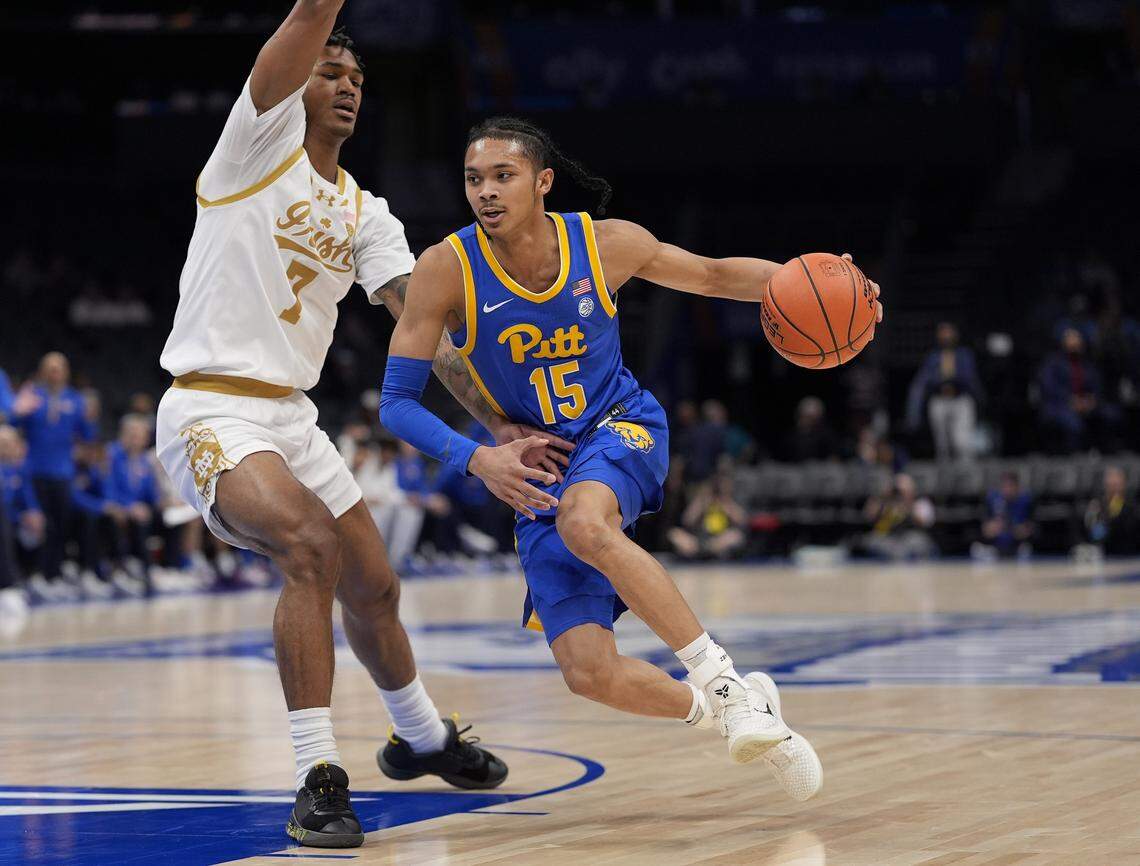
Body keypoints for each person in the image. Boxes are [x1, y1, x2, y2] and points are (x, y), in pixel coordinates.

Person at [153, 3, 567, 847]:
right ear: (292, 81)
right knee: (309, 545)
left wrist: (498, 427)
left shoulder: (366, 212)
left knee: (375, 586)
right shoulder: (249, 151)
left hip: (292, 419)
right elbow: (307, 17)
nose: (346, 88)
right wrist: (322, 19)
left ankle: (420, 740)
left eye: (356, 80)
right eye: (328, 74)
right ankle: (315, 777)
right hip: (210, 405)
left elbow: (421, 328)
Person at [380, 116, 882, 801]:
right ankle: (737, 712)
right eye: (474, 179)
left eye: (504, 176)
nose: (487, 192)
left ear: (543, 182)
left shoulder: (605, 244)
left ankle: (725, 684)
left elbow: (712, 275)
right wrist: (483, 458)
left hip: (619, 424)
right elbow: (397, 404)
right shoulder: (445, 267)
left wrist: (823, 284)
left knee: (585, 524)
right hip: (538, 464)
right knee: (589, 672)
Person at [10, 352, 95, 600]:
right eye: (50, 368)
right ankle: (35, 574)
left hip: (63, 473)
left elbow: (88, 436)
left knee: (60, 526)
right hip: (35, 471)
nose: (55, 372)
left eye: (59, 368)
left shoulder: (76, 400)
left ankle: (54, 575)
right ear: (42, 371)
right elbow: (13, 425)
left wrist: (89, 423)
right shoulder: (32, 397)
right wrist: (19, 411)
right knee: (38, 525)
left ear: (66, 372)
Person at [905, 322, 983, 460]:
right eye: (942, 333)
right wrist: (913, 414)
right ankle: (945, 478)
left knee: (961, 441)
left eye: (948, 332)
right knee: (942, 445)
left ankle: (966, 475)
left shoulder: (964, 355)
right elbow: (921, 383)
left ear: (955, 335)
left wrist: (980, 401)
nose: (946, 336)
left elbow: (971, 379)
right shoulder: (933, 357)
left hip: (960, 399)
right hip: (939, 400)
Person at [667, 472, 749, 560]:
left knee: (734, 536)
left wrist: (726, 504)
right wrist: (701, 502)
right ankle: (701, 552)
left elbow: (743, 520)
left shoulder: (729, 503)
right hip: (699, 541)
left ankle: (710, 551)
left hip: (719, 539)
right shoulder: (703, 501)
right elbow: (687, 520)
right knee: (674, 533)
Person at [859, 473, 937, 561]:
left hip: (912, 537)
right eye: (899, 491)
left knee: (918, 542)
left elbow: (924, 522)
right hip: (889, 539)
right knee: (872, 541)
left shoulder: (921, 502)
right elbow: (874, 521)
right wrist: (883, 502)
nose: (901, 494)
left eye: (904, 491)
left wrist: (908, 507)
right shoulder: (886, 503)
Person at [972, 470, 1034, 560]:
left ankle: (1015, 552)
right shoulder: (992, 499)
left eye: (1011, 486)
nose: (1008, 490)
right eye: (1005, 486)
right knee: (977, 545)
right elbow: (985, 526)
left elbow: (1031, 526)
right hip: (995, 543)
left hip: (1018, 543)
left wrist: (1023, 529)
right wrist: (990, 527)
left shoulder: (1025, 500)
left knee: (1025, 544)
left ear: (1017, 487)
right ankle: (994, 552)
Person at [1081, 466, 1136, 556]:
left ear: (1123, 484)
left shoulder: (1130, 505)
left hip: (1125, 551)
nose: (1113, 488)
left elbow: (1126, 528)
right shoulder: (1098, 504)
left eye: (1116, 484)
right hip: (1102, 552)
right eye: (1110, 485)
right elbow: (1090, 527)